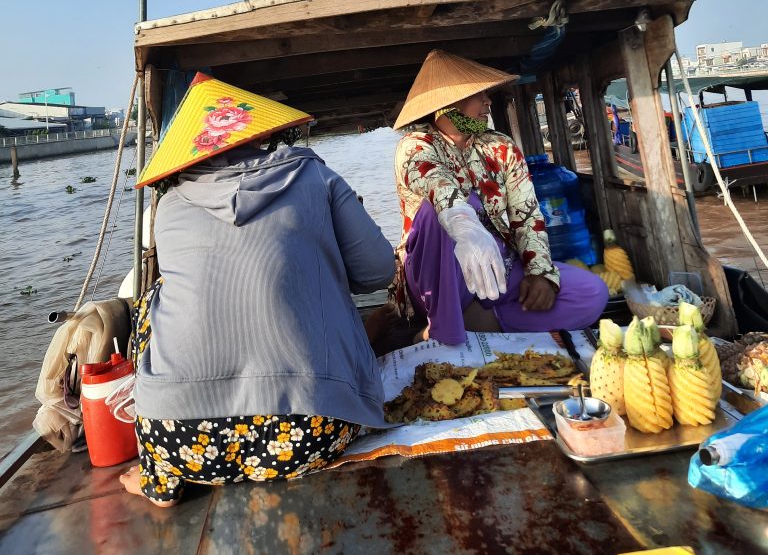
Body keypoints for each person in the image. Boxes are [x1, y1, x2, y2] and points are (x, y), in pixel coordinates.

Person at [120, 73, 395, 506]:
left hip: (180, 443)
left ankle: (161, 482)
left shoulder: (169, 205)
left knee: (151, 301)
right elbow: (379, 272)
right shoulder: (314, 176)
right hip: (315, 430)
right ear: (258, 133)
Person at [393, 50, 608, 345]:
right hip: (438, 273)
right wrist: (464, 224)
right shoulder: (415, 146)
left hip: (498, 265)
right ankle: (446, 326)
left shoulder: (500, 147)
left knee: (591, 293)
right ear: (448, 105)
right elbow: (437, 183)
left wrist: (540, 273)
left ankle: (481, 322)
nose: (488, 102)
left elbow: (527, 214)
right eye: (478, 95)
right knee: (437, 210)